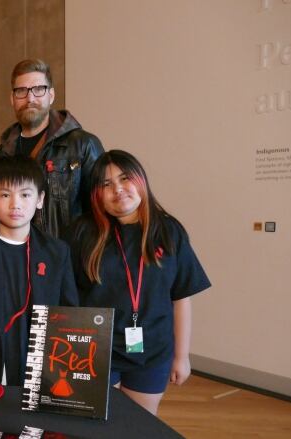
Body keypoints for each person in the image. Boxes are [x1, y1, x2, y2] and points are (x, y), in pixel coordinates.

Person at [69, 150, 211, 415]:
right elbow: (68, 296)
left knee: (140, 427)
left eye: (125, 178)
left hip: (153, 352)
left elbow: (181, 298)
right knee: (97, 429)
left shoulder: (169, 231)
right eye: (106, 184)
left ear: (141, 180)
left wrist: (182, 357)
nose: (118, 190)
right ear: (96, 194)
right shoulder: (82, 232)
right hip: (95, 352)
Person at [0, 155, 78, 387]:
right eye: (5, 195)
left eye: (25, 194)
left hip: (44, 374)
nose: (15, 204)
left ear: (40, 199)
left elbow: (70, 315)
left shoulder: (57, 253)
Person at [0, 58, 104, 241]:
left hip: (69, 262)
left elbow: (102, 214)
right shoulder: (2, 154)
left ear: (51, 95)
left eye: (38, 89)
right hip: (16, 261)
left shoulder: (83, 145)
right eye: (21, 91)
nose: (30, 98)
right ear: (12, 99)